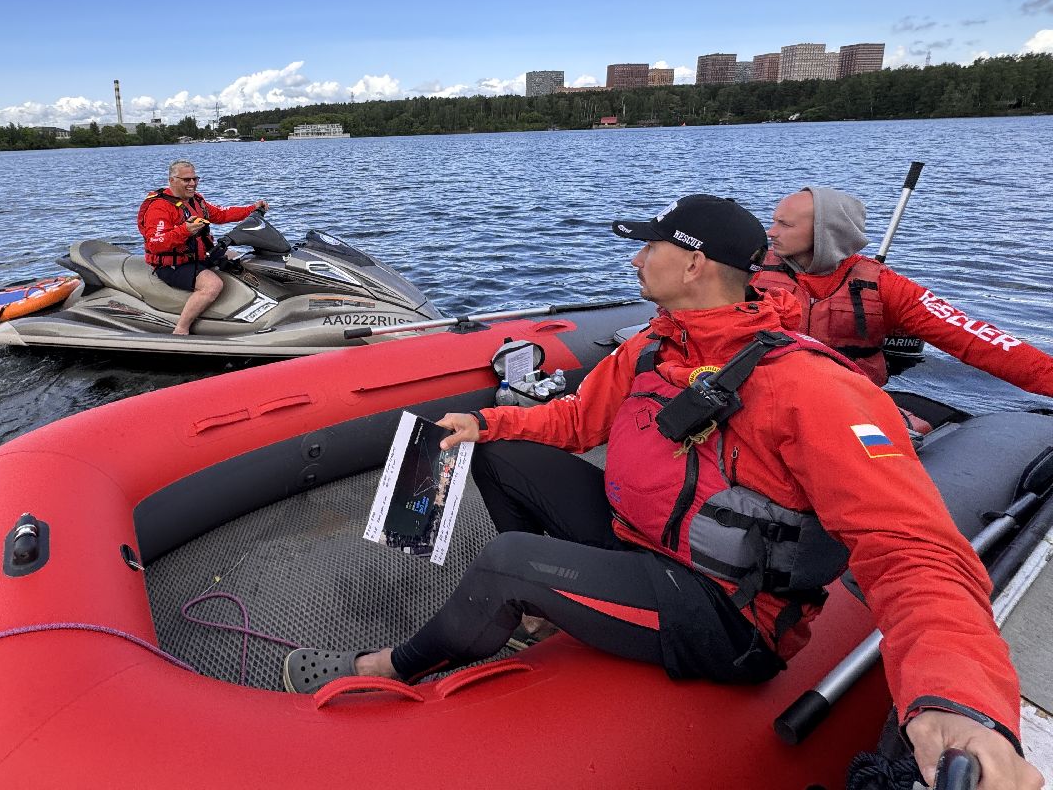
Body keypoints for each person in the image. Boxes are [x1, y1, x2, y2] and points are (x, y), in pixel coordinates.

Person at [281, 195, 1040, 790]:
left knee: (508, 561)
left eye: (652, 245)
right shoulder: (653, 343)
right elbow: (578, 420)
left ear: (696, 266)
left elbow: (913, 554)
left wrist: (957, 699)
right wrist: (489, 423)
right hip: (642, 546)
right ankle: (550, 612)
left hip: (724, 612)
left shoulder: (812, 388)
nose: (638, 257)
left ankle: (385, 669)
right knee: (503, 455)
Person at [754, 187, 1053, 394]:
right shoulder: (749, 271)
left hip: (846, 400)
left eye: (785, 224)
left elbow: (974, 339)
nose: (771, 232)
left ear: (824, 233)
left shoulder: (884, 286)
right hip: (769, 392)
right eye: (773, 221)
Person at [137, 160, 266, 335]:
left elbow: (221, 214)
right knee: (212, 285)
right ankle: (181, 329)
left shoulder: (196, 200)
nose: (192, 184)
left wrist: (252, 209)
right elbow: (155, 243)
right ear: (172, 180)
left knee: (241, 259)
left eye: (195, 179)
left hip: (197, 256)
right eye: (186, 180)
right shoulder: (159, 207)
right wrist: (184, 230)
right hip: (173, 265)